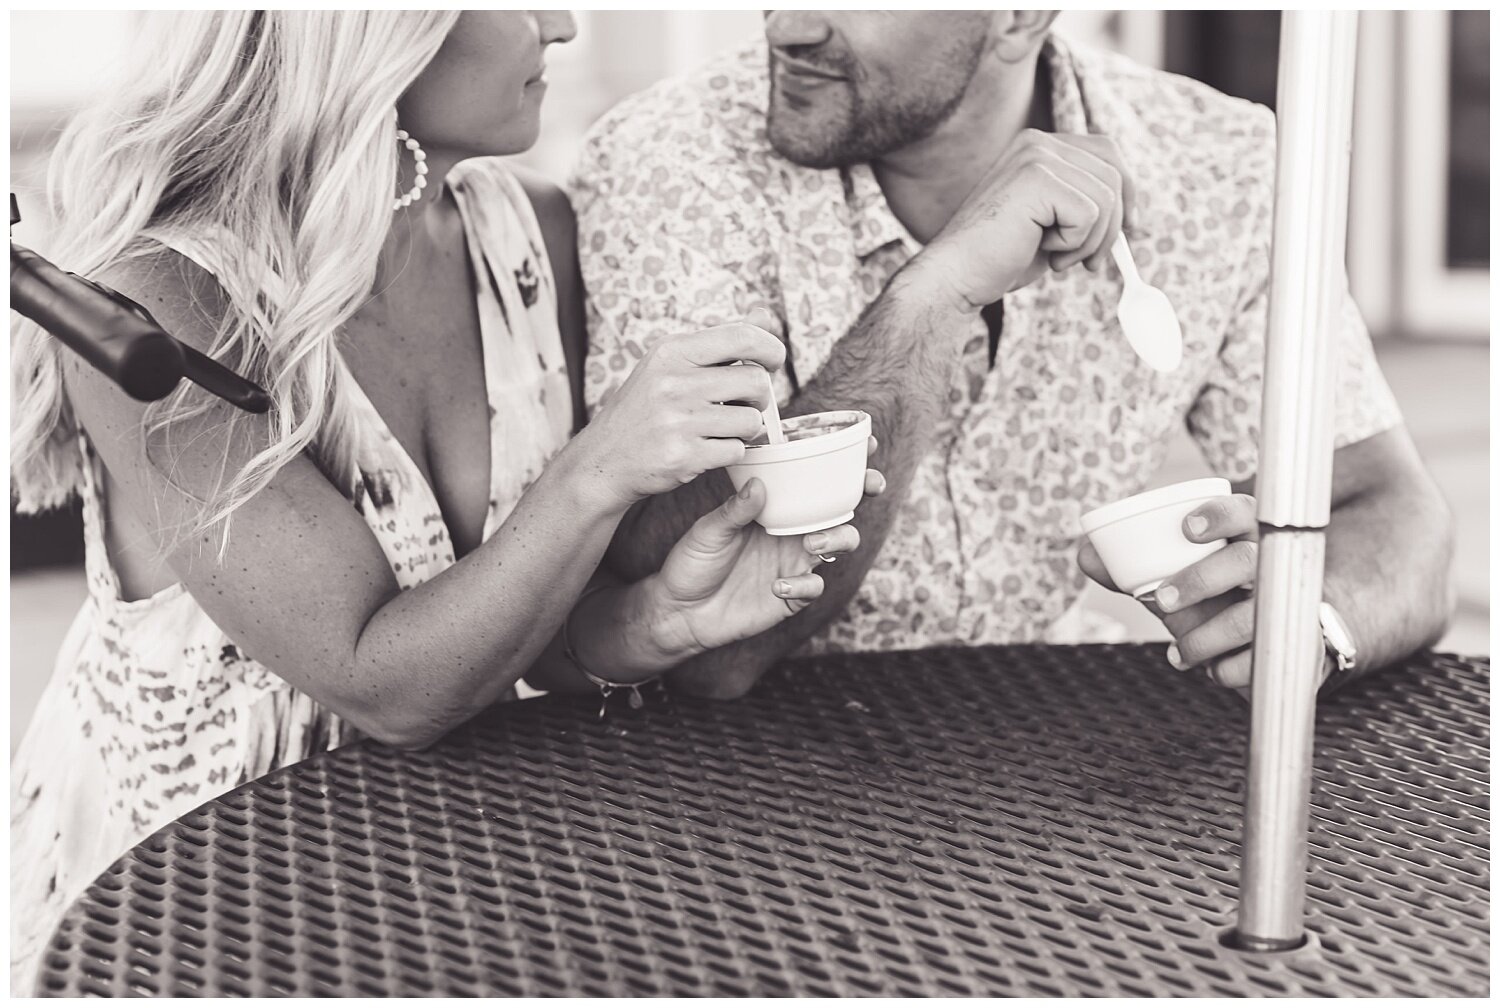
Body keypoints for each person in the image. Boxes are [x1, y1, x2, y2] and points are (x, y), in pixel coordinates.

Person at [8, 11, 880, 988]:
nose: (564, 24)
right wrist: (604, 464)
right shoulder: (158, 307)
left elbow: (490, 637)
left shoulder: (529, 234)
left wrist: (653, 625)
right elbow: (389, 688)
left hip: (443, 890)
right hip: (188, 922)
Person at [569, 11, 1455, 698]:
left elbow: (1392, 512)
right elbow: (708, 645)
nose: (786, 24)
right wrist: (935, 293)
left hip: (1069, 757)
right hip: (728, 781)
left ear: (1023, 17)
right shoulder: (672, 156)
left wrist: (1312, 626)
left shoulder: (1220, 162)